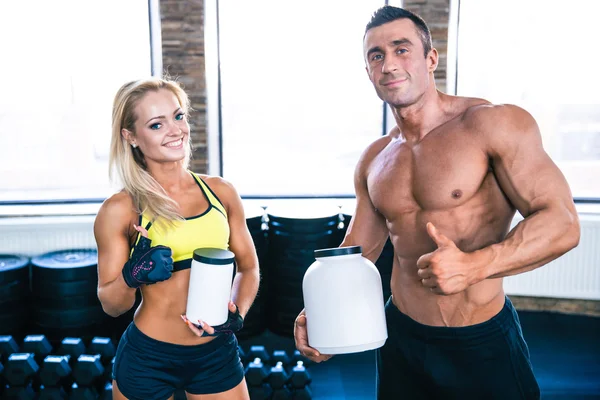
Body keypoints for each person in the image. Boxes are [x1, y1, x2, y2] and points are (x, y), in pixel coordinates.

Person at [294, 6, 580, 400]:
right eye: (376, 55)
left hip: (479, 341)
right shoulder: (375, 159)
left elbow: (563, 222)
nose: (389, 64)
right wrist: (320, 310)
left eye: (401, 49)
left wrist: (475, 266)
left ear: (431, 59)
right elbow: (357, 252)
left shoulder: (491, 124)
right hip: (401, 339)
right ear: (368, 72)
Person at [94, 77, 259, 400]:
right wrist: (132, 274)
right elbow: (112, 305)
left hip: (215, 353)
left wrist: (236, 313)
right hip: (148, 356)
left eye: (178, 116)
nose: (175, 130)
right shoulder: (121, 209)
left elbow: (248, 268)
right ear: (131, 137)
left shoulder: (220, 193)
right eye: (157, 124)